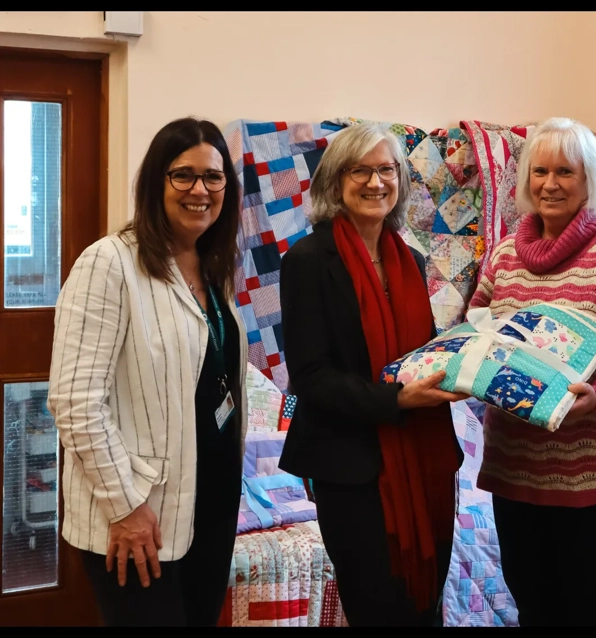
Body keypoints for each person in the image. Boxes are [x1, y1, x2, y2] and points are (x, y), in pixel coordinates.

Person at [468, 117, 596, 627]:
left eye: (566, 171)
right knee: (535, 603)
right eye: (540, 171)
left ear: (591, 182)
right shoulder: (503, 256)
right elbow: (476, 332)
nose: (550, 184)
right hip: (517, 464)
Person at [47, 117, 248, 626]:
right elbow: (75, 402)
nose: (200, 190)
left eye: (213, 177)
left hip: (211, 507)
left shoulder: (213, 266)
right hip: (142, 517)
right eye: (183, 175)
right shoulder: (109, 263)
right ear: (155, 181)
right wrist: (125, 507)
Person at [278, 123, 465, 627]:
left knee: (425, 608)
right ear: (336, 181)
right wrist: (396, 401)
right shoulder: (308, 261)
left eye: (387, 170)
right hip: (354, 472)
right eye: (360, 170)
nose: (376, 182)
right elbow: (311, 377)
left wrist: (463, 365)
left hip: (425, 462)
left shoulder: (412, 260)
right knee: (378, 609)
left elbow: (419, 355)